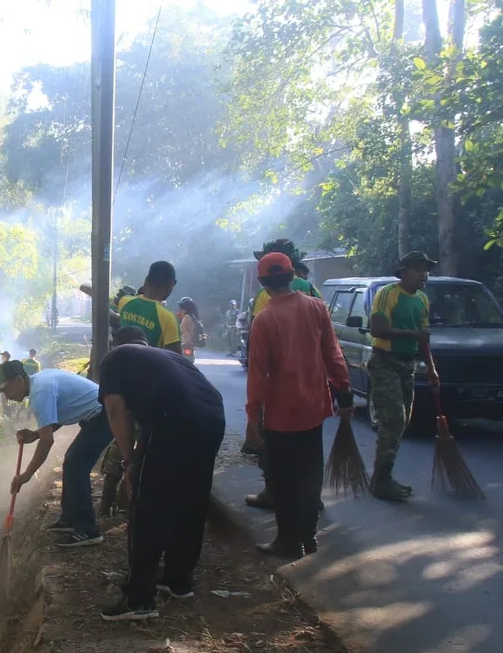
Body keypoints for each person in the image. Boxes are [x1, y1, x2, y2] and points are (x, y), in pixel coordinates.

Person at [97, 326, 226, 620]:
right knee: (190, 499)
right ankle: (178, 580)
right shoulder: (165, 357)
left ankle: (139, 597)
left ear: (114, 343)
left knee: (148, 506)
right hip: (212, 418)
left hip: (173, 421)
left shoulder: (115, 357)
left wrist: (130, 461)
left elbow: (115, 411)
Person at [245, 253, 354, 559]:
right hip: (314, 407)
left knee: (282, 479)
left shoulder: (264, 319)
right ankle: (308, 536)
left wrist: (253, 417)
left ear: (263, 283)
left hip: (281, 414)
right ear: (292, 275)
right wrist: (343, 392)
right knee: (309, 472)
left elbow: (258, 373)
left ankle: (288, 540)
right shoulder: (316, 307)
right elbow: (333, 353)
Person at [0, 360, 113, 548]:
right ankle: (70, 519)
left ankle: (88, 530)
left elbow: (47, 441)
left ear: (18, 379)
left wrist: (26, 475)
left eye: (5, 389)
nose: (6, 396)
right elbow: (58, 416)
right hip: (98, 415)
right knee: (72, 463)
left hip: (104, 415)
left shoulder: (40, 392)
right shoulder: (40, 383)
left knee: (75, 467)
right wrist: (34, 434)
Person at [367, 251, 440, 501]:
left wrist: (431, 368)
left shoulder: (422, 299)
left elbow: (424, 338)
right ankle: (381, 480)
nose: (423, 274)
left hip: (408, 365)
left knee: (403, 421)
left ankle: (383, 476)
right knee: (393, 420)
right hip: (384, 362)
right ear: (404, 272)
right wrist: (413, 336)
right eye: (418, 269)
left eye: (425, 270)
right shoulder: (388, 294)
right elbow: (377, 329)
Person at [116, 262, 182, 352]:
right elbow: (176, 358)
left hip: (120, 361)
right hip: (149, 365)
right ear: (170, 284)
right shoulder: (168, 318)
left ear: (147, 281)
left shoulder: (125, 302)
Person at [177, 297, 204, 364]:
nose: (181, 309)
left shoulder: (186, 318)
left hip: (185, 343)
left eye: (182, 307)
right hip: (192, 344)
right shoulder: (195, 317)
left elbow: (182, 330)